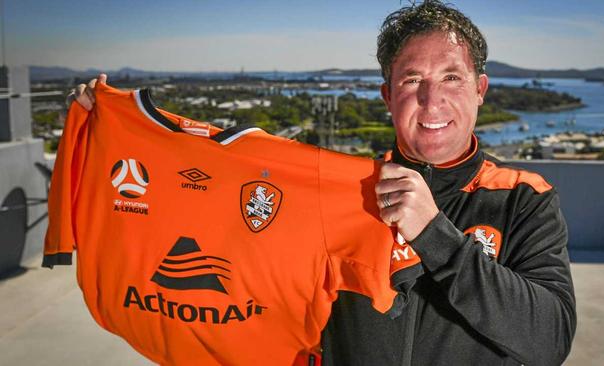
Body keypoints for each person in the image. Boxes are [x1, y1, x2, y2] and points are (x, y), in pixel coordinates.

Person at [71, 2, 576, 364]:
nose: (431, 99)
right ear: (386, 95)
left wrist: (435, 236)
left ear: (480, 89)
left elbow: (548, 339)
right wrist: (113, 131)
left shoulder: (524, 199)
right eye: (411, 80)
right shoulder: (339, 193)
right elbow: (218, 210)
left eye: (450, 78)